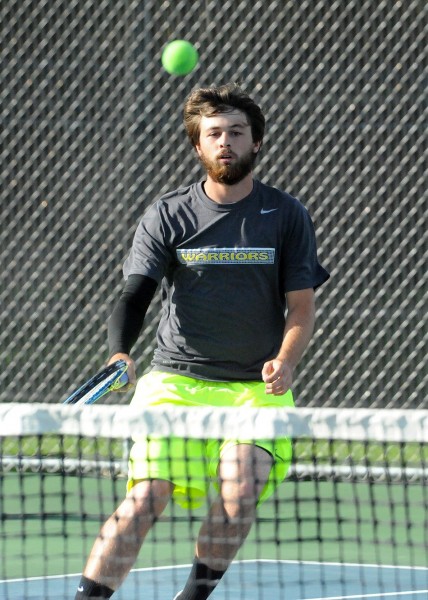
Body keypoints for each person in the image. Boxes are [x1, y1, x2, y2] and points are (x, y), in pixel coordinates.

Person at [74, 82, 329, 600]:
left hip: (254, 391)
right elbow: (135, 294)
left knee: (241, 492)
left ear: (256, 142)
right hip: (175, 383)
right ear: (198, 146)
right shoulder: (168, 214)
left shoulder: (285, 215)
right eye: (214, 133)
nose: (226, 142)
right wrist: (120, 352)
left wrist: (285, 359)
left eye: (237, 132)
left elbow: (301, 307)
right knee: (145, 499)